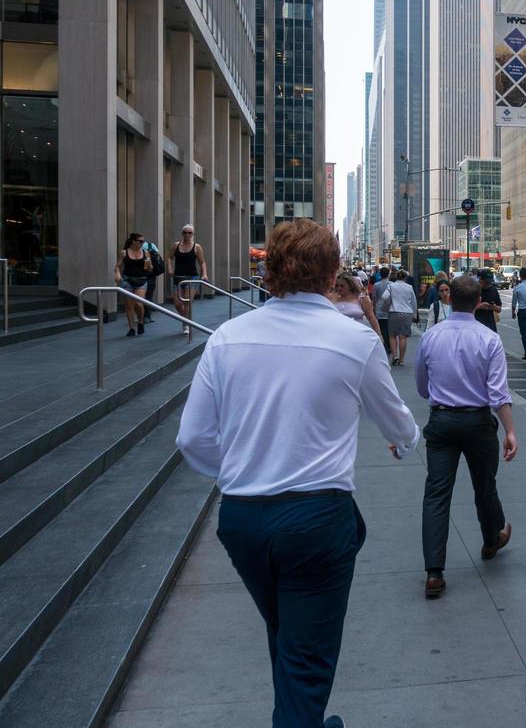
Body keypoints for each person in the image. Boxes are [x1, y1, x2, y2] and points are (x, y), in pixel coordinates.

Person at [176, 219, 420, 728]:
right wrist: (404, 442)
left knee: (289, 635)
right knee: (306, 656)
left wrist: (245, 473)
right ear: (333, 274)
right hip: (316, 520)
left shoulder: (227, 337)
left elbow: (192, 439)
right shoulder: (353, 340)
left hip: (242, 518)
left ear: (269, 271)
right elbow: (397, 422)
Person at [416, 275, 517, 598]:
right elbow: (498, 393)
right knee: (485, 486)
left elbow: (421, 384)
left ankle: (434, 572)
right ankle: (491, 541)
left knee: (436, 494)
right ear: (478, 302)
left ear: (448, 299)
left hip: (442, 421)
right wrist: (510, 431)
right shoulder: (489, 339)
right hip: (478, 423)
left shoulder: (432, 336)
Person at [169, 224, 207, 332]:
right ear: (182, 233)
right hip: (178, 276)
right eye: (185, 232)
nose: (187, 234)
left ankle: (187, 325)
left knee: (187, 301)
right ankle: (186, 320)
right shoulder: (176, 245)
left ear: (192, 234)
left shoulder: (196, 247)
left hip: (192, 277)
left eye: (189, 232)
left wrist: (204, 274)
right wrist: (170, 269)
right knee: (177, 303)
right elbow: (169, 258)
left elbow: (202, 262)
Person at [114, 233, 153, 336]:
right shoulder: (124, 253)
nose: (142, 243)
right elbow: (117, 266)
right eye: (140, 241)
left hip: (141, 281)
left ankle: (140, 322)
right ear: (133, 241)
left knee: (139, 303)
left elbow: (150, 269)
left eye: (143, 241)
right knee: (129, 306)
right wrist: (118, 274)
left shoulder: (146, 253)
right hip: (127, 280)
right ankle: (131, 328)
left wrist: (149, 265)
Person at [331, 270, 383, 341]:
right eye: (337, 286)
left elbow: (371, 317)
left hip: (358, 336)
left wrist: (379, 335)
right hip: (338, 336)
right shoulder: (333, 297)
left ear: (349, 285)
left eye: (342, 286)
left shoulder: (361, 298)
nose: (339, 288)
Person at [386, 269, 417, 365]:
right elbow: (413, 301)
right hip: (406, 313)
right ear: (405, 277)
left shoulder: (391, 286)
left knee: (392, 335)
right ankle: (402, 359)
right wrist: (414, 313)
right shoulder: (409, 287)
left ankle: (395, 355)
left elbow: (384, 297)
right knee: (403, 337)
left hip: (393, 312)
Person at [372, 269, 393, 355]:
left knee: (381, 328)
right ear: (388, 274)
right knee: (389, 328)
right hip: (390, 309)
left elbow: (374, 298)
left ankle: (384, 345)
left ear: (380, 274)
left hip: (379, 309)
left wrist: (374, 308)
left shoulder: (376, 285)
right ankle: (390, 346)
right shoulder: (392, 284)